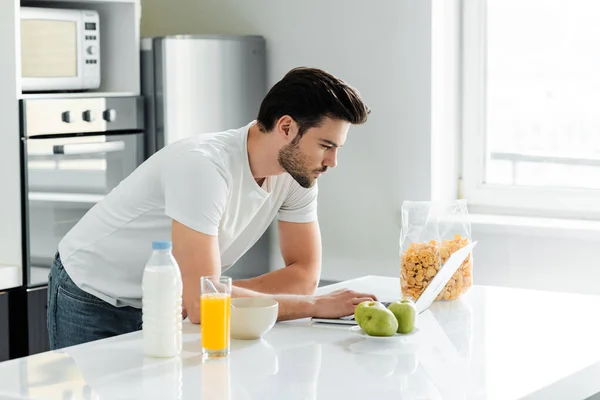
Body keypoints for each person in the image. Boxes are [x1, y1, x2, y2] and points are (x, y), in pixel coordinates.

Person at [47, 67, 377, 349]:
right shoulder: (204, 167)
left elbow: (303, 276)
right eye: (326, 146)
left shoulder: (297, 176)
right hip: (95, 293)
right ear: (286, 127)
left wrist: (217, 294)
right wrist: (313, 306)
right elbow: (204, 306)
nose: (333, 162)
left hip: (169, 301)